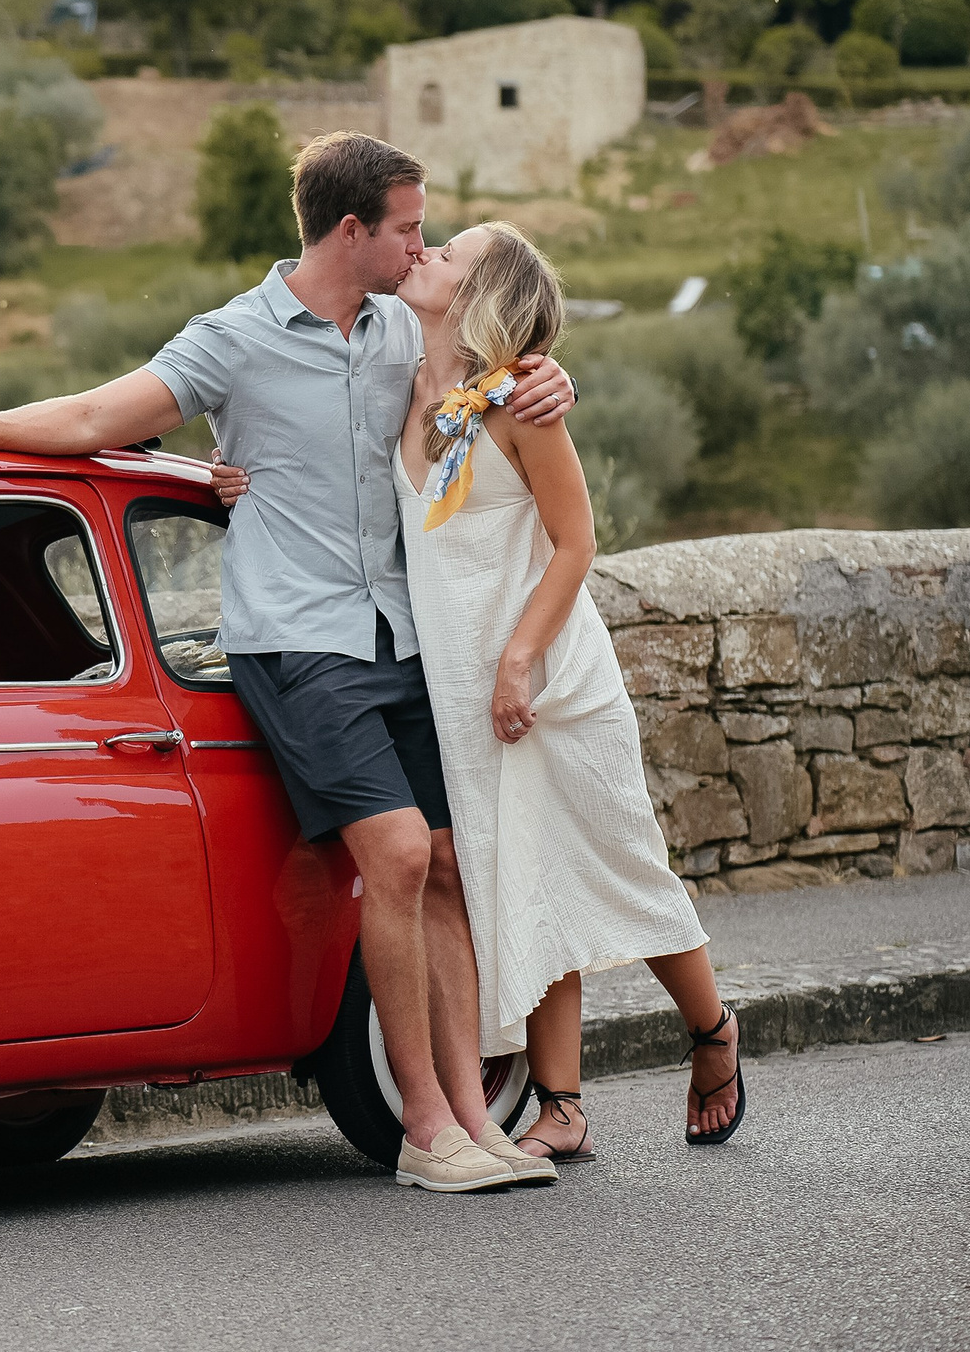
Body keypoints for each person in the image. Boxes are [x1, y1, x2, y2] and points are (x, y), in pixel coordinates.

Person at [0, 133, 578, 1194]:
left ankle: (476, 1116)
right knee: (390, 857)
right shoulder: (233, 339)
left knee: (448, 871)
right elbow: (103, 416)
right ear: (351, 230)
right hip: (297, 640)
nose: (421, 244)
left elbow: (489, 383)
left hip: (404, 637)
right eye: (409, 227)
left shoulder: (402, 331)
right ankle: (424, 1129)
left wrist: (545, 375)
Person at [212, 221, 745, 1159]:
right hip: (457, 682)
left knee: (620, 864)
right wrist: (233, 479)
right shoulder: (404, 387)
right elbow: (312, 438)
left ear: (478, 295)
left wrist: (516, 659)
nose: (425, 255)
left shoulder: (521, 404)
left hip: (549, 679)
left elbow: (577, 544)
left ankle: (713, 1032)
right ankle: (564, 1108)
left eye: (448, 254)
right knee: (524, 875)